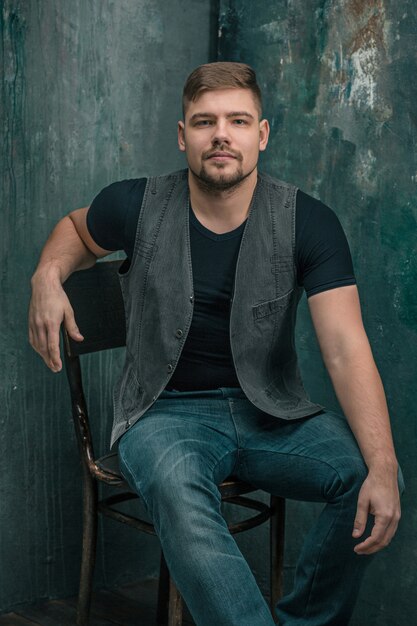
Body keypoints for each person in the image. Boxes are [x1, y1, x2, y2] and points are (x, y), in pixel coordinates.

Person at [29, 62, 402, 625]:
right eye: (205, 122)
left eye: (238, 120)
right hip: (163, 415)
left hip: (271, 413)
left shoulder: (309, 221)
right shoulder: (135, 203)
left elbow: (346, 347)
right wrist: (46, 276)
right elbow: (76, 231)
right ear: (184, 136)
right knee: (180, 492)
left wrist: (382, 462)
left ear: (262, 134)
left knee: (370, 477)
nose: (221, 134)